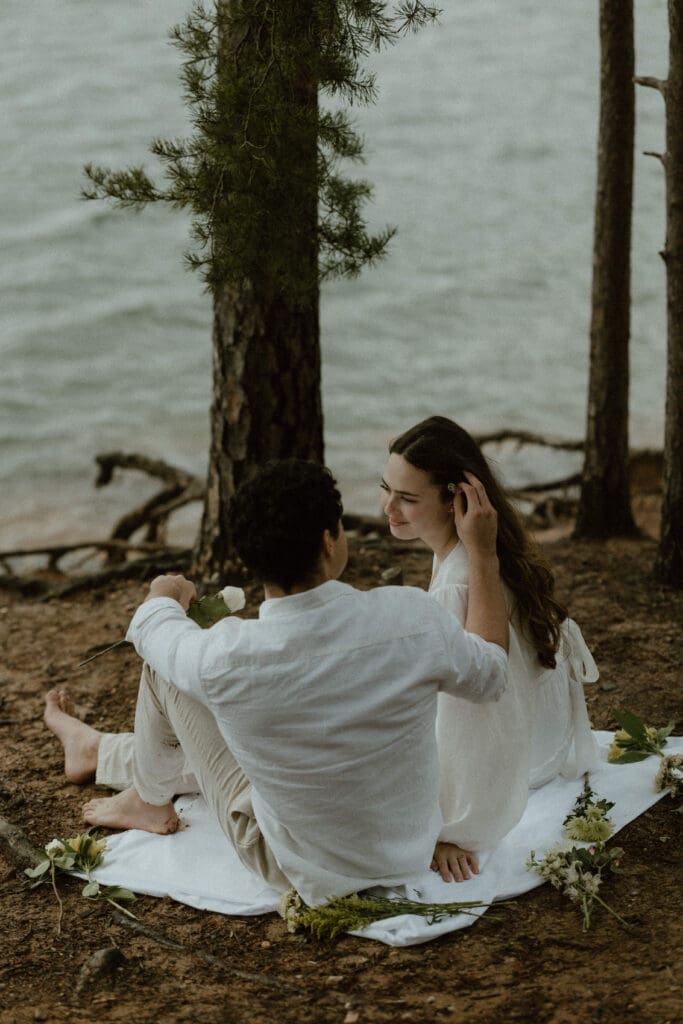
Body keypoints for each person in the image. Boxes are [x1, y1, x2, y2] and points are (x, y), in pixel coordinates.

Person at [45, 458, 510, 902]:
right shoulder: (412, 617)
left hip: (291, 864)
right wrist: (482, 553)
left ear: (249, 559)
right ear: (330, 541)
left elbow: (150, 630)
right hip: (405, 850)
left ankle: (148, 798)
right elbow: (492, 673)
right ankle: (100, 755)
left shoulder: (224, 657)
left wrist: (164, 594)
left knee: (164, 670)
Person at [382, 416, 599, 878]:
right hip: (538, 740)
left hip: (513, 760)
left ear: (454, 501)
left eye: (407, 498)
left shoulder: (462, 578)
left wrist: (451, 827)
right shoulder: (478, 549)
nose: (388, 508)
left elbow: (473, 714)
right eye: (386, 489)